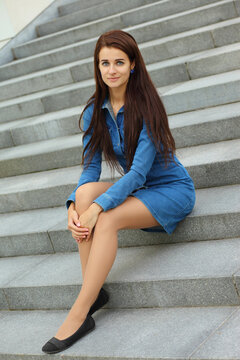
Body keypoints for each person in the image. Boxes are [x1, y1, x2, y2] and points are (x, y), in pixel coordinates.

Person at [42, 29, 196, 354]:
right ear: (97, 67)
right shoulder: (94, 111)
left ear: (133, 65)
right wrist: (74, 205)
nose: (112, 70)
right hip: (137, 191)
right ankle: (93, 291)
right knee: (85, 194)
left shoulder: (147, 107)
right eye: (105, 63)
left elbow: (138, 173)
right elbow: (89, 171)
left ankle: (80, 312)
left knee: (105, 217)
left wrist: (99, 208)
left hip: (169, 190)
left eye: (119, 62)